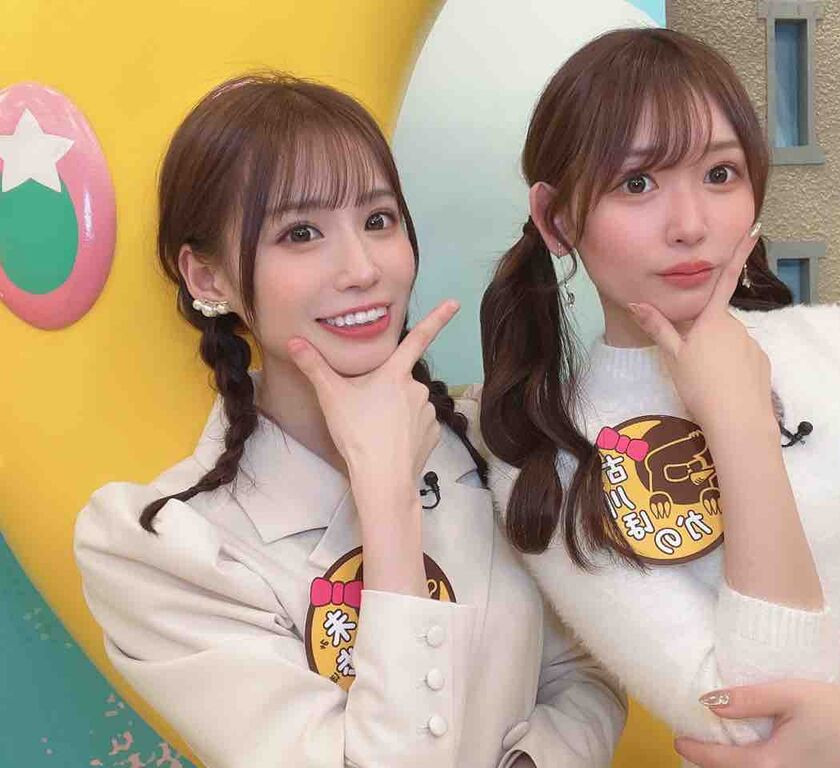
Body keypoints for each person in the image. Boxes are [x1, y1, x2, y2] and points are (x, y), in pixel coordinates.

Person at [480, 28, 840, 767]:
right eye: (636, 183)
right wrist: (737, 424)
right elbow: (750, 720)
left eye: (720, 173)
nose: (691, 226)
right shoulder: (549, 459)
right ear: (557, 219)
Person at [73, 74, 626, 768]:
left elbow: (587, 673)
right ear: (208, 278)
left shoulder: (496, 441)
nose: (363, 268)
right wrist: (386, 497)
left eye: (378, 220)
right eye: (301, 233)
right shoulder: (165, 549)